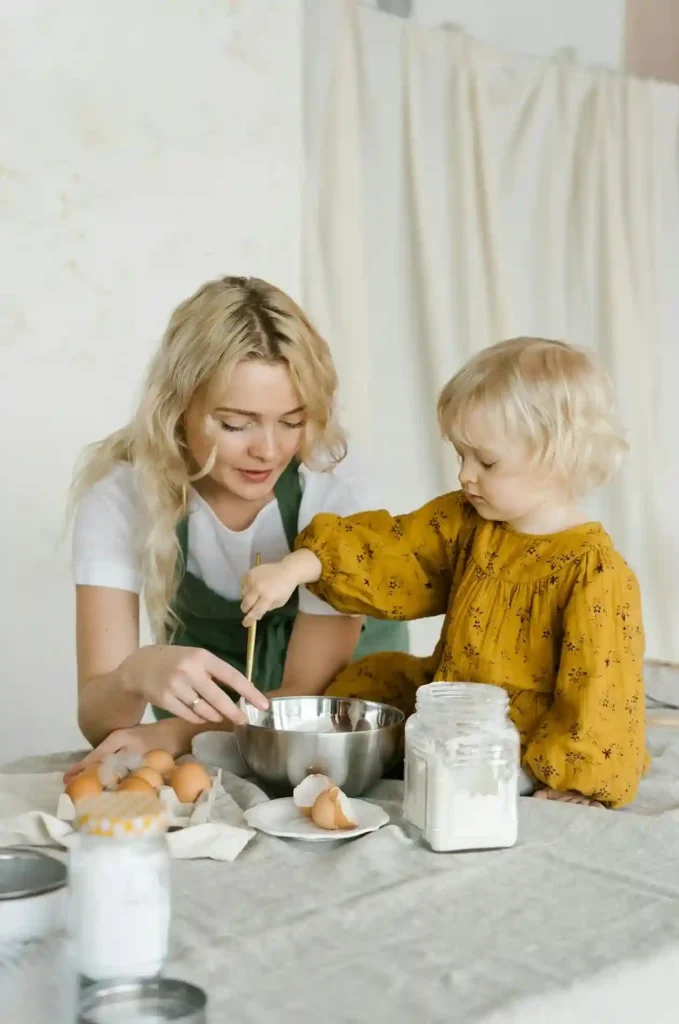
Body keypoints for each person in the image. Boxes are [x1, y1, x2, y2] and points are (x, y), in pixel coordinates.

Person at [241, 338, 648, 808]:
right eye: (461, 456)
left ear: (558, 455)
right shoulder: (467, 521)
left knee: (499, 754)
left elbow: (600, 692)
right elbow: (398, 550)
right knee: (366, 684)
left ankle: (513, 774)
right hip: (450, 698)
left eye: (486, 461)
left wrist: (577, 782)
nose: (465, 475)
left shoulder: (595, 573)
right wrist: (297, 566)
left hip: (520, 732)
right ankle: (316, 757)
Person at [65, 275, 408, 780]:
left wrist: (176, 733)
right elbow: (99, 718)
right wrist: (137, 672)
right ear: (178, 408)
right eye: (235, 424)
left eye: (291, 421)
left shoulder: (338, 486)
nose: (268, 450)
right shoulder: (123, 494)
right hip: (214, 752)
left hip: (345, 741)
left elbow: (305, 700)